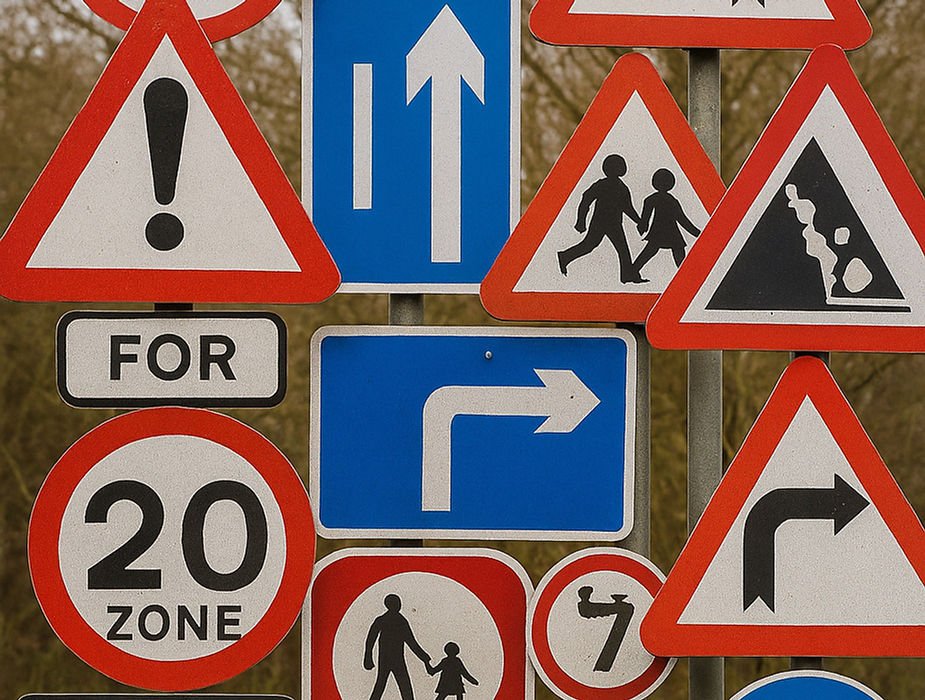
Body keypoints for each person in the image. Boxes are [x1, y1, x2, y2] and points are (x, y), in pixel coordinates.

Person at [557, 154, 645, 283]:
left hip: (614, 223)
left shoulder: (622, 187)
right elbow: (586, 199)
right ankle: (565, 256)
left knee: (618, 248)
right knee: (593, 245)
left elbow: (628, 208)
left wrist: (639, 222)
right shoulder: (603, 185)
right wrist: (581, 221)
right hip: (600, 222)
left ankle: (565, 256)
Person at [633, 168, 701, 280]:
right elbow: (682, 220)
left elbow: (681, 219)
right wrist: (697, 233)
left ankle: (686, 276)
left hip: (661, 232)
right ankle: (686, 276)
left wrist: (643, 226)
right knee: (673, 251)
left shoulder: (652, 199)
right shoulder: (671, 200)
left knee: (651, 251)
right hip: (668, 232)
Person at [364, 594, 432, 700]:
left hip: (391, 659)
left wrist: (424, 658)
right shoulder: (396, 621)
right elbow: (371, 639)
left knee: (386, 686)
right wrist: (368, 656)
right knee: (399, 686)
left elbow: (411, 642)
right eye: (397, 603)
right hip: (392, 659)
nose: (399, 605)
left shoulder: (394, 620)